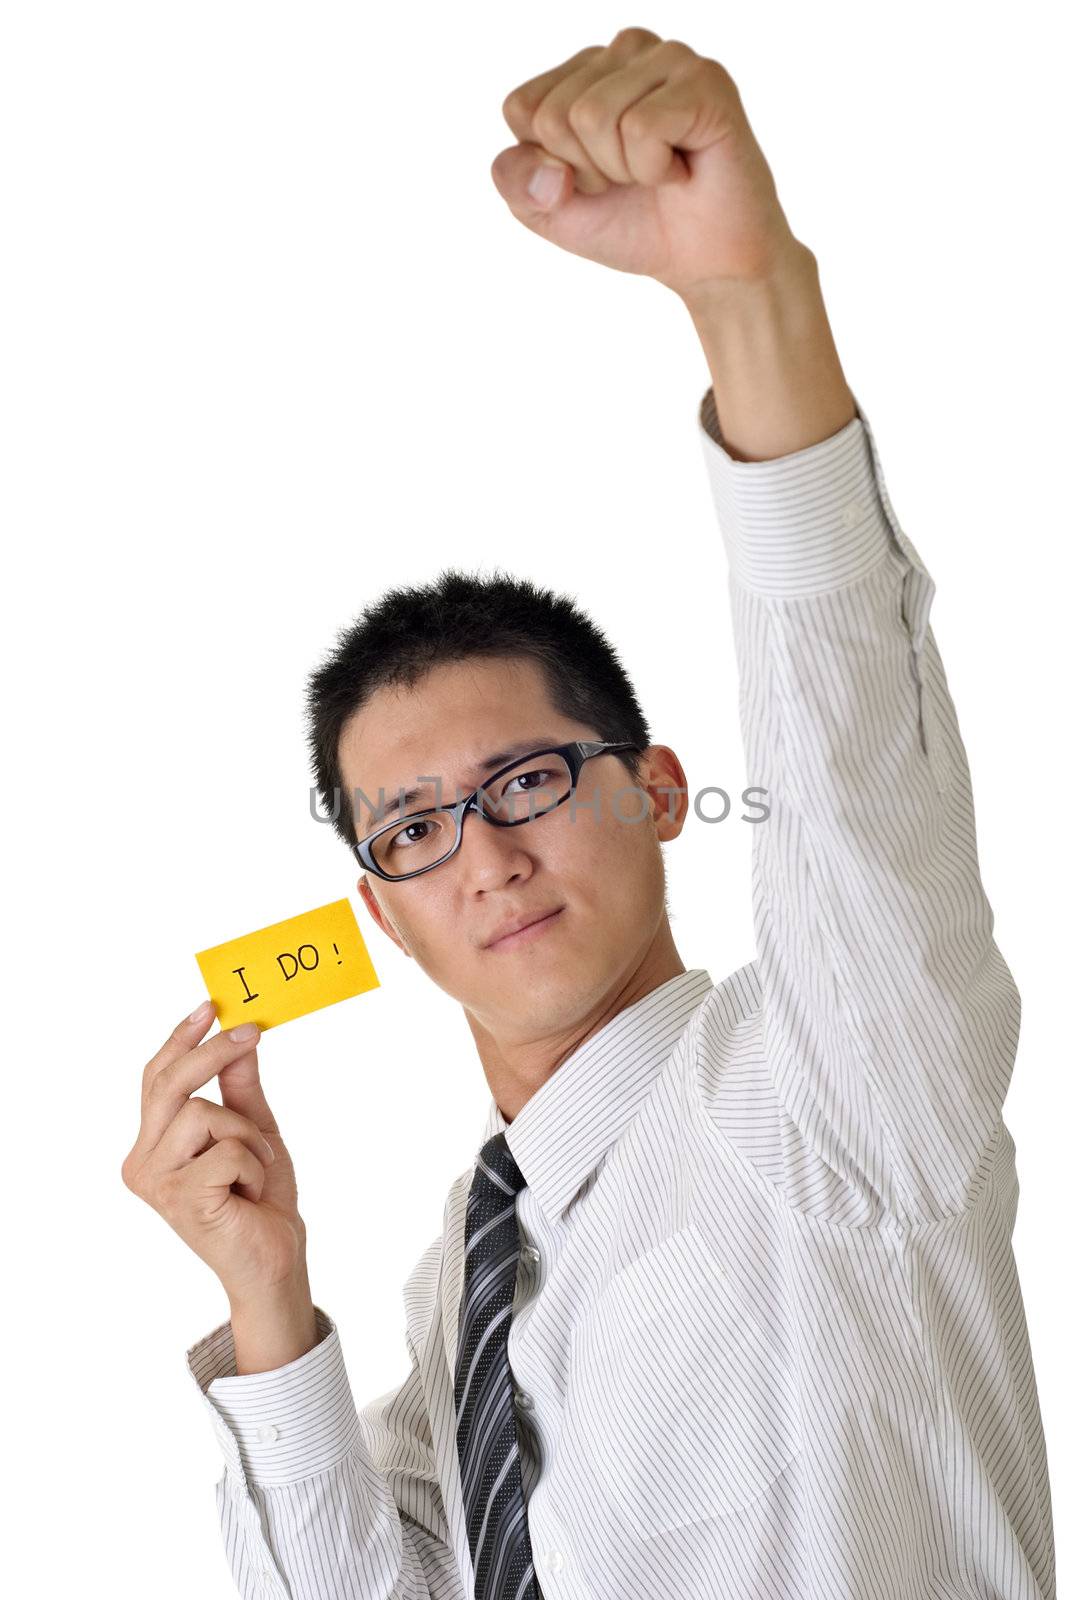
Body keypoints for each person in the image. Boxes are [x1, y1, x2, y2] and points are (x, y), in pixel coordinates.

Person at [121, 27, 1056, 1600]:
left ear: (662, 794)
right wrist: (268, 1292)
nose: (482, 853)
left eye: (529, 781)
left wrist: (749, 300)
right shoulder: (468, 1285)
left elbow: (850, 771)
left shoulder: (829, 1082)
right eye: (412, 829)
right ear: (382, 920)